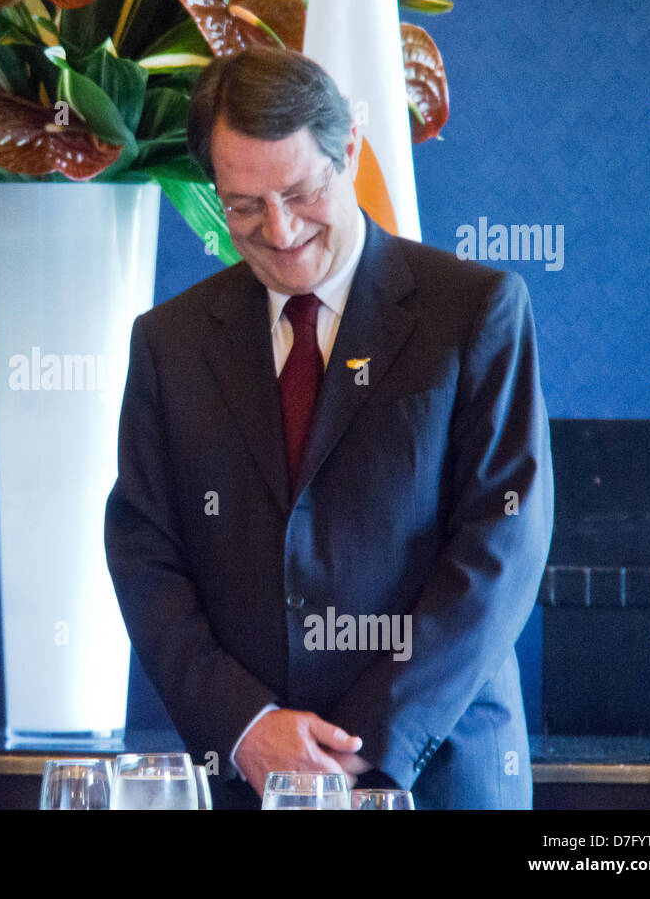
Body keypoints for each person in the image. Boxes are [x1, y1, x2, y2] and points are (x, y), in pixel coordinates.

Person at [104, 47, 553, 809]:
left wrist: (358, 746)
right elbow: (145, 552)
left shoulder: (473, 310)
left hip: (435, 772)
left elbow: (502, 546)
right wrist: (246, 727)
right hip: (248, 776)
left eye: (301, 192)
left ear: (348, 152)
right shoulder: (169, 341)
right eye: (243, 205)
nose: (279, 231)